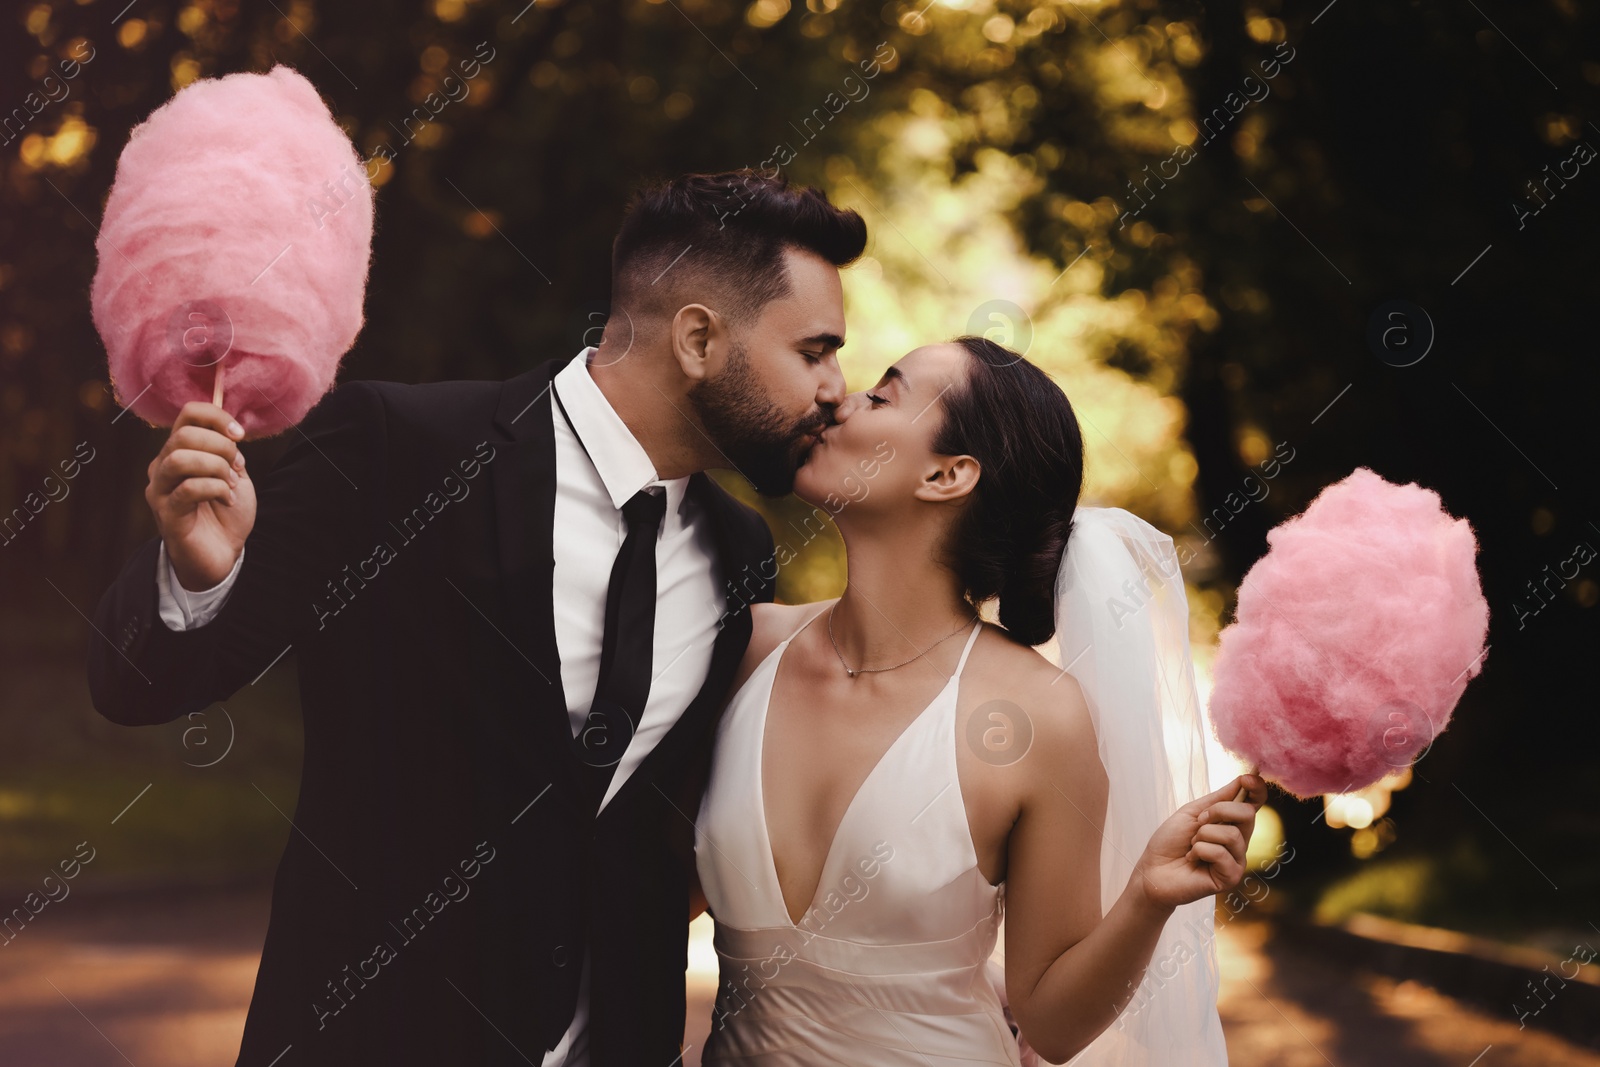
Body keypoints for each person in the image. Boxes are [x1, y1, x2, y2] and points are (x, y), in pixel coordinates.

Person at [86, 170, 865, 1066]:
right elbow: (136, 685)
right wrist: (194, 574)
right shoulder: (397, 448)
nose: (836, 388)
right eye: (815, 350)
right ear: (697, 337)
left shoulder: (740, 550)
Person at [693, 336, 1268, 1064]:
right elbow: (641, 891)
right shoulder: (744, 652)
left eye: (884, 392)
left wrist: (1147, 896)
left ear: (946, 474)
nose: (840, 398)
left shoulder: (1041, 716)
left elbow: (1050, 1024)